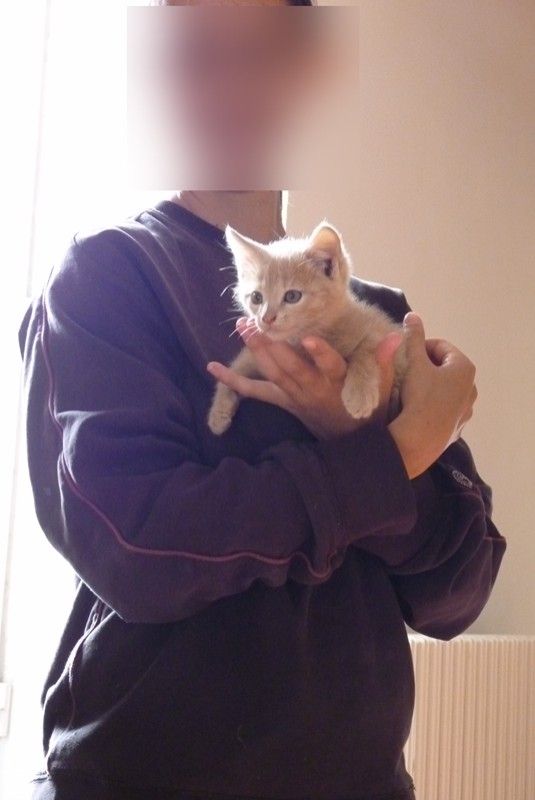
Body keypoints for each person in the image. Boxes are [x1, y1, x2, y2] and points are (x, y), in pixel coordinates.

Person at [18, 2, 506, 799]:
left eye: (261, 53)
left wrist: (356, 433)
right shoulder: (107, 277)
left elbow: (458, 591)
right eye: (198, 53)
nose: (232, 83)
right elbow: (138, 549)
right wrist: (392, 455)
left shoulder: (378, 317)